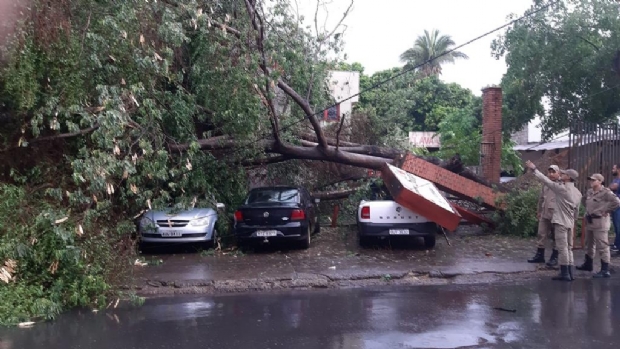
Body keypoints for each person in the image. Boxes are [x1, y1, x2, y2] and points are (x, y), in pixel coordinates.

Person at [525, 160, 582, 281]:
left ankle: (565, 273)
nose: (562, 175)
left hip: (560, 221)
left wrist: (534, 169)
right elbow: (576, 211)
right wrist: (574, 220)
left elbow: (545, 180)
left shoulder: (562, 188)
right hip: (570, 222)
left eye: (565, 174)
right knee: (568, 247)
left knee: (562, 248)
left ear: (569, 178)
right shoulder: (578, 192)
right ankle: (570, 273)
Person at [576, 173, 620, 278]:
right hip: (590, 220)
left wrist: (606, 210)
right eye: (590, 180)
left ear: (600, 181)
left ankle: (605, 269)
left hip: (600, 222)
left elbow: (616, 202)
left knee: (602, 245)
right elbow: (584, 201)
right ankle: (588, 263)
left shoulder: (606, 192)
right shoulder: (590, 191)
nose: (591, 182)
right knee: (589, 243)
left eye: (594, 180)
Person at [527, 165, 560, 267]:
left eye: (553, 172)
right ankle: (540, 255)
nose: (551, 174)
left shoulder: (561, 184)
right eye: (549, 172)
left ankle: (554, 257)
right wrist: (539, 210)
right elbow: (541, 198)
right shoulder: (545, 185)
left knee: (556, 236)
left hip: (556, 214)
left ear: (558, 173)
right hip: (545, 213)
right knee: (541, 234)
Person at [608, 164, 620, 252]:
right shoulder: (616, 179)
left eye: (614, 168)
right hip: (614, 205)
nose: (612, 170)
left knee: (618, 226)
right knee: (616, 226)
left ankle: (618, 246)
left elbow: (612, 187)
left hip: (618, 205)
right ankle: (616, 243)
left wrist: (610, 187)